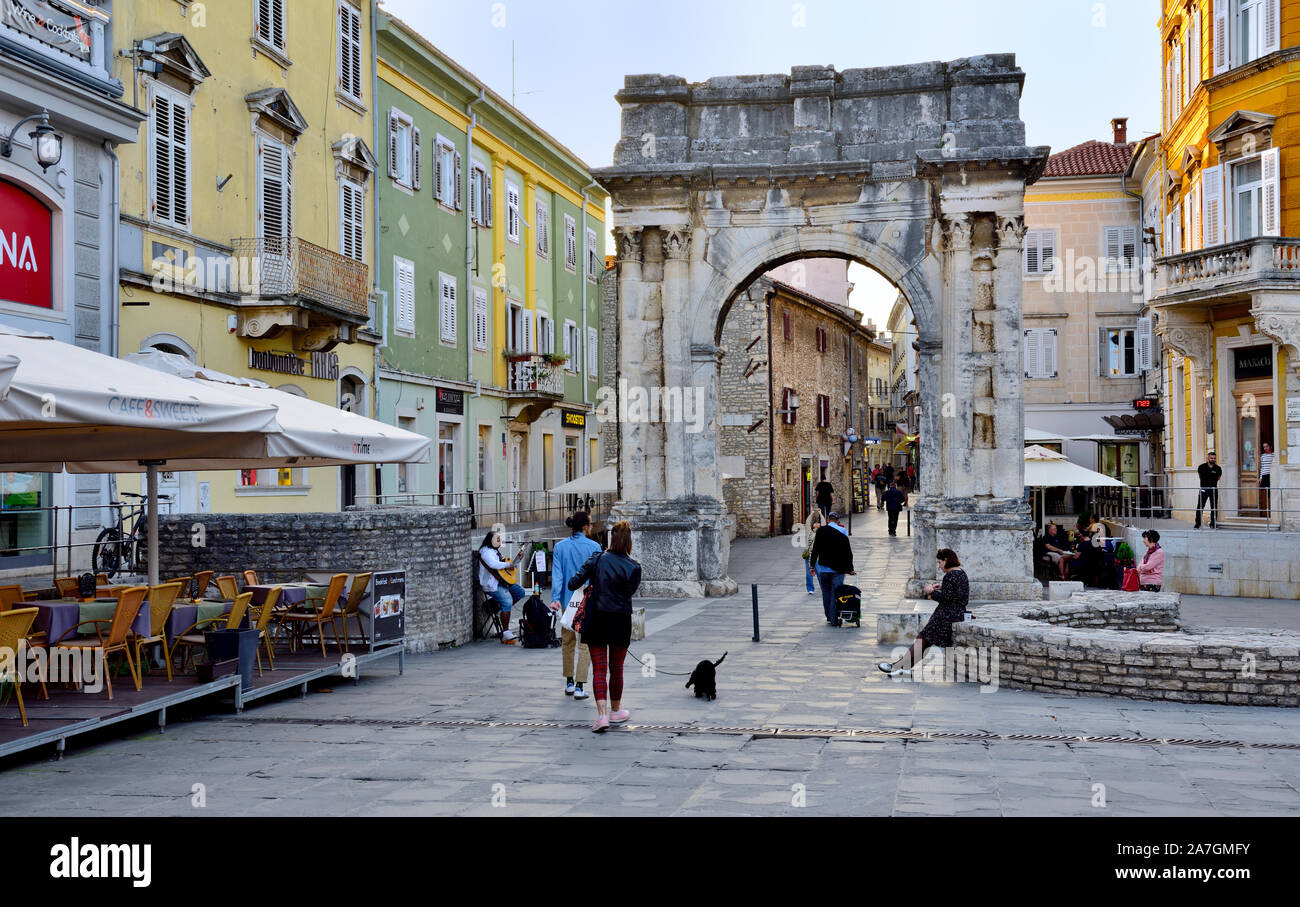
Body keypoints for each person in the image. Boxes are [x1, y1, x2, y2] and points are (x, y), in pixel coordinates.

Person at [569, 520, 641, 733]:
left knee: (599, 669)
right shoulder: (634, 567)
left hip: (597, 618)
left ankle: (601, 716)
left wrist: (593, 582)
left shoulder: (597, 558)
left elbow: (573, 583)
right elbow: (629, 593)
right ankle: (616, 710)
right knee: (616, 668)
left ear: (611, 538)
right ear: (629, 542)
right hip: (620, 620)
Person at [879, 548, 969, 674]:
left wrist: (931, 592)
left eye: (939, 562)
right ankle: (903, 668)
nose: (939, 566)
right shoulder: (961, 573)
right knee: (925, 642)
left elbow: (946, 599)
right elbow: (958, 594)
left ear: (946, 560)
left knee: (923, 640)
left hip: (946, 616)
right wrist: (942, 587)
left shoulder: (950, 576)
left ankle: (897, 666)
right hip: (956, 613)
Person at [550, 511, 600, 700]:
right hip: (586, 600)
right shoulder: (594, 547)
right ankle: (580, 685)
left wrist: (555, 597)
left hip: (566, 599)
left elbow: (558, 575)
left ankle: (569, 682)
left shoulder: (560, 547)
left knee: (567, 641)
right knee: (585, 643)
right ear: (585, 526)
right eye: (590, 523)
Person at [477, 529, 527, 644]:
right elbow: (494, 564)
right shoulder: (486, 552)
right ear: (490, 540)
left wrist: (518, 559)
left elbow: (508, 568)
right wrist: (507, 564)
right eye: (497, 539)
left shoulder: (496, 552)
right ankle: (506, 633)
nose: (499, 541)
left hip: (501, 581)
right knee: (508, 600)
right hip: (491, 584)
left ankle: (500, 609)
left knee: (520, 592)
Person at [809, 511, 856, 625]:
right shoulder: (843, 531)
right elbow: (847, 552)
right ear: (838, 521)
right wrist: (850, 568)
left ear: (828, 520)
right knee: (836, 593)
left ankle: (829, 616)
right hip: (838, 569)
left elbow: (815, 549)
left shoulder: (821, 531)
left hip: (824, 569)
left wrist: (812, 566)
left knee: (826, 592)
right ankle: (834, 618)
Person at [1194, 453, 1222, 529]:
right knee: (1200, 506)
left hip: (1213, 489)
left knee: (1214, 507)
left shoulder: (1218, 468)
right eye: (1211, 458)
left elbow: (1218, 478)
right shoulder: (1201, 467)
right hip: (1204, 489)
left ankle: (1213, 523)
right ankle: (1197, 523)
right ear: (1208, 458)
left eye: (1214, 458)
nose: (1213, 460)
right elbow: (1200, 477)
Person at [802, 509, 825, 595]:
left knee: (813, 571)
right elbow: (823, 523)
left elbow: (808, 522)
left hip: (813, 554)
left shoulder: (813, 532)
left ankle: (812, 588)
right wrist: (819, 513)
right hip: (815, 554)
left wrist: (814, 513)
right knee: (817, 572)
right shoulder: (816, 532)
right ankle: (819, 588)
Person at [1260, 441, 1274, 519]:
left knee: (1271, 492)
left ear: (1270, 446)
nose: (1265, 448)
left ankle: (1271, 511)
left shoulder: (1274, 455)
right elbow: (1262, 467)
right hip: (1264, 475)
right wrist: (1260, 477)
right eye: (1264, 447)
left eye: (1266, 446)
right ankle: (1265, 511)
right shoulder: (1262, 456)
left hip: (1271, 475)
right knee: (1265, 494)